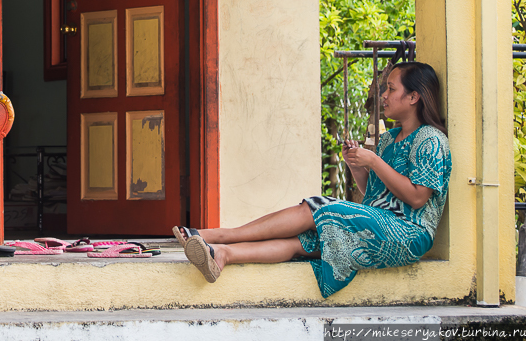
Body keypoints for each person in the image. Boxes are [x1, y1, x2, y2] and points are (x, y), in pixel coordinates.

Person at [173, 61, 451, 298]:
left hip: (409, 233)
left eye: (391, 89)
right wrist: (357, 167)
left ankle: (217, 235)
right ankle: (222, 253)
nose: (384, 96)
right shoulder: (389, 139)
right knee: (304, 241)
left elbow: (416, 197)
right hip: (380, 224)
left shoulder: (430, 139)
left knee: (321, 207)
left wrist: (374, 161)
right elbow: (375, 197)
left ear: (414, 97)